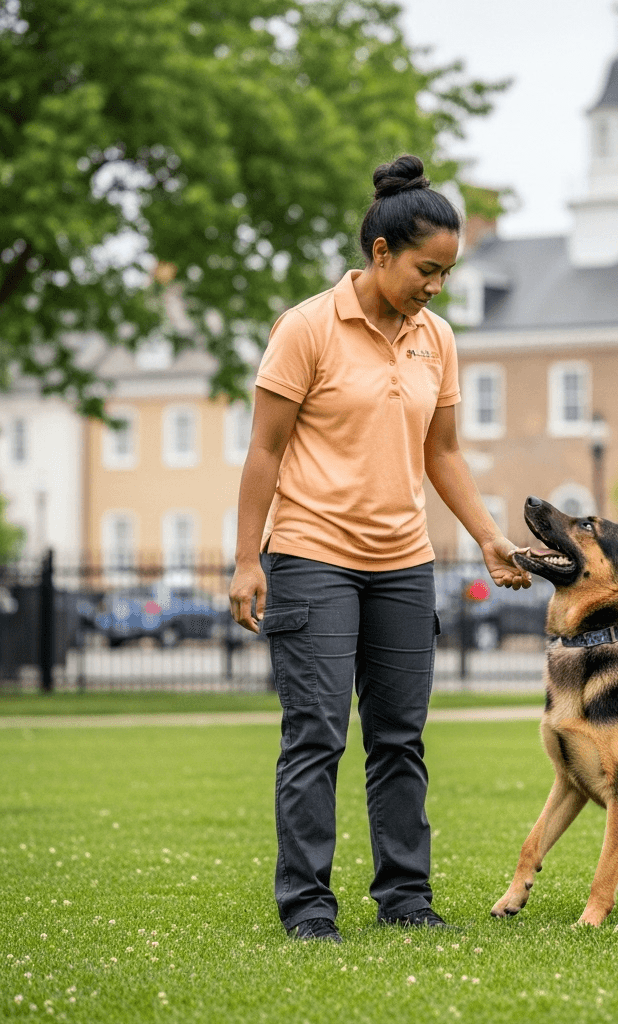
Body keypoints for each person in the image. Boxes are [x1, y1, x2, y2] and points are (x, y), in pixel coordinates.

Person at [228, 154, 531, 943]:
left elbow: (445, 453)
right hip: (311, 554)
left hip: (403, 563)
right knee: (318, 734)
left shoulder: (437, 339)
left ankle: (405, 897)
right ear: (382, 253)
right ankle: (308, 908)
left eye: (447, 274)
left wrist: (490, 537)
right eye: (426, 269)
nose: (435, 286)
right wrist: (243, 559)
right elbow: (264, 451)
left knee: (400, 738)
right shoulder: (306, 329)